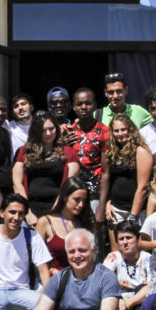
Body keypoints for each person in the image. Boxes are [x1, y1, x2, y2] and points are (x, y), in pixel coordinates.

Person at [12, 111, 79, 227]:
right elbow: (17, 183)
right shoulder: (24, 151)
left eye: (51, 129)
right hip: (29, 208)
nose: (48, 133)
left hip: (58, 207)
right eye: (43, 130)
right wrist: (27, 212)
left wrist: (54, 213)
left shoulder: (68, 152)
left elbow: (69, 186)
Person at [105, 113, 153, 249]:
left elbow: (143, 187)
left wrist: (132, 216)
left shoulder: (141, 150)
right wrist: (108, 203)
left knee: (136, 250)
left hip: (135, 211)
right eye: (116, 130)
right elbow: (112, 180)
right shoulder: (113, 151)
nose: (120, 134)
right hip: (116, 209)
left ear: (130, 129)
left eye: (123, 129)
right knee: (117, 252)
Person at [66, 87, 109, 223]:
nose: (83, 107)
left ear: (95, 105)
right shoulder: (68, 131)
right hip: (72, 192)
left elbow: (106, 172)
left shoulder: (104, 131)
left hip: (95, 193)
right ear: (74, 107)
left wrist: (102, 206)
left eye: (88, 103)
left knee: (94, 231)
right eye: (79, 104)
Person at [35, 177, 93, 274]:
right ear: (65, 197)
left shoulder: (84, 223)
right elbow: (37, 257)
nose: (81, 205)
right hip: (54, 276)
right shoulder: (45, 222)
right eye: (77, 200)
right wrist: (52, 271)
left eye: (84, 200)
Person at [103, 220, 151, 310]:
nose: (125, 242)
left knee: (141, 289)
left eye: (129, 238)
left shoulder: (148, 259)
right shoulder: (113, 258)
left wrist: (127, 304)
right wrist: (119, 304)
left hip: (139, 305)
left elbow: (151, 287)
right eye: (121, 239)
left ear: (137, 239)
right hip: (117, 304)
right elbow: (103, 284)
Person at [6, 93, 34, 159]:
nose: (20, 108)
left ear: (31, 107)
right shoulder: (9, 127)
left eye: (23, 104)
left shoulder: (41, 125)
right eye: (16, 106)